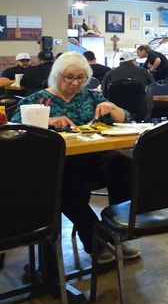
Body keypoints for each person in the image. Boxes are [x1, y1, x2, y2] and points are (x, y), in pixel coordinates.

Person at [11, 52, 138, 264]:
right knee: (64, 184)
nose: (75, 82)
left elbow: (127, 118)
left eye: (80, 77)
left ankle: (117, 230)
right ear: (57, 76)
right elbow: (15, 129)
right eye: (69, 77)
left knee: (123, 165)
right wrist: (48, 120)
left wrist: (112, 108)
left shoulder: (91, 96)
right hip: (56, 164)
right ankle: (96, 238)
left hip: (92, 158)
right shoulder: (38, 99)